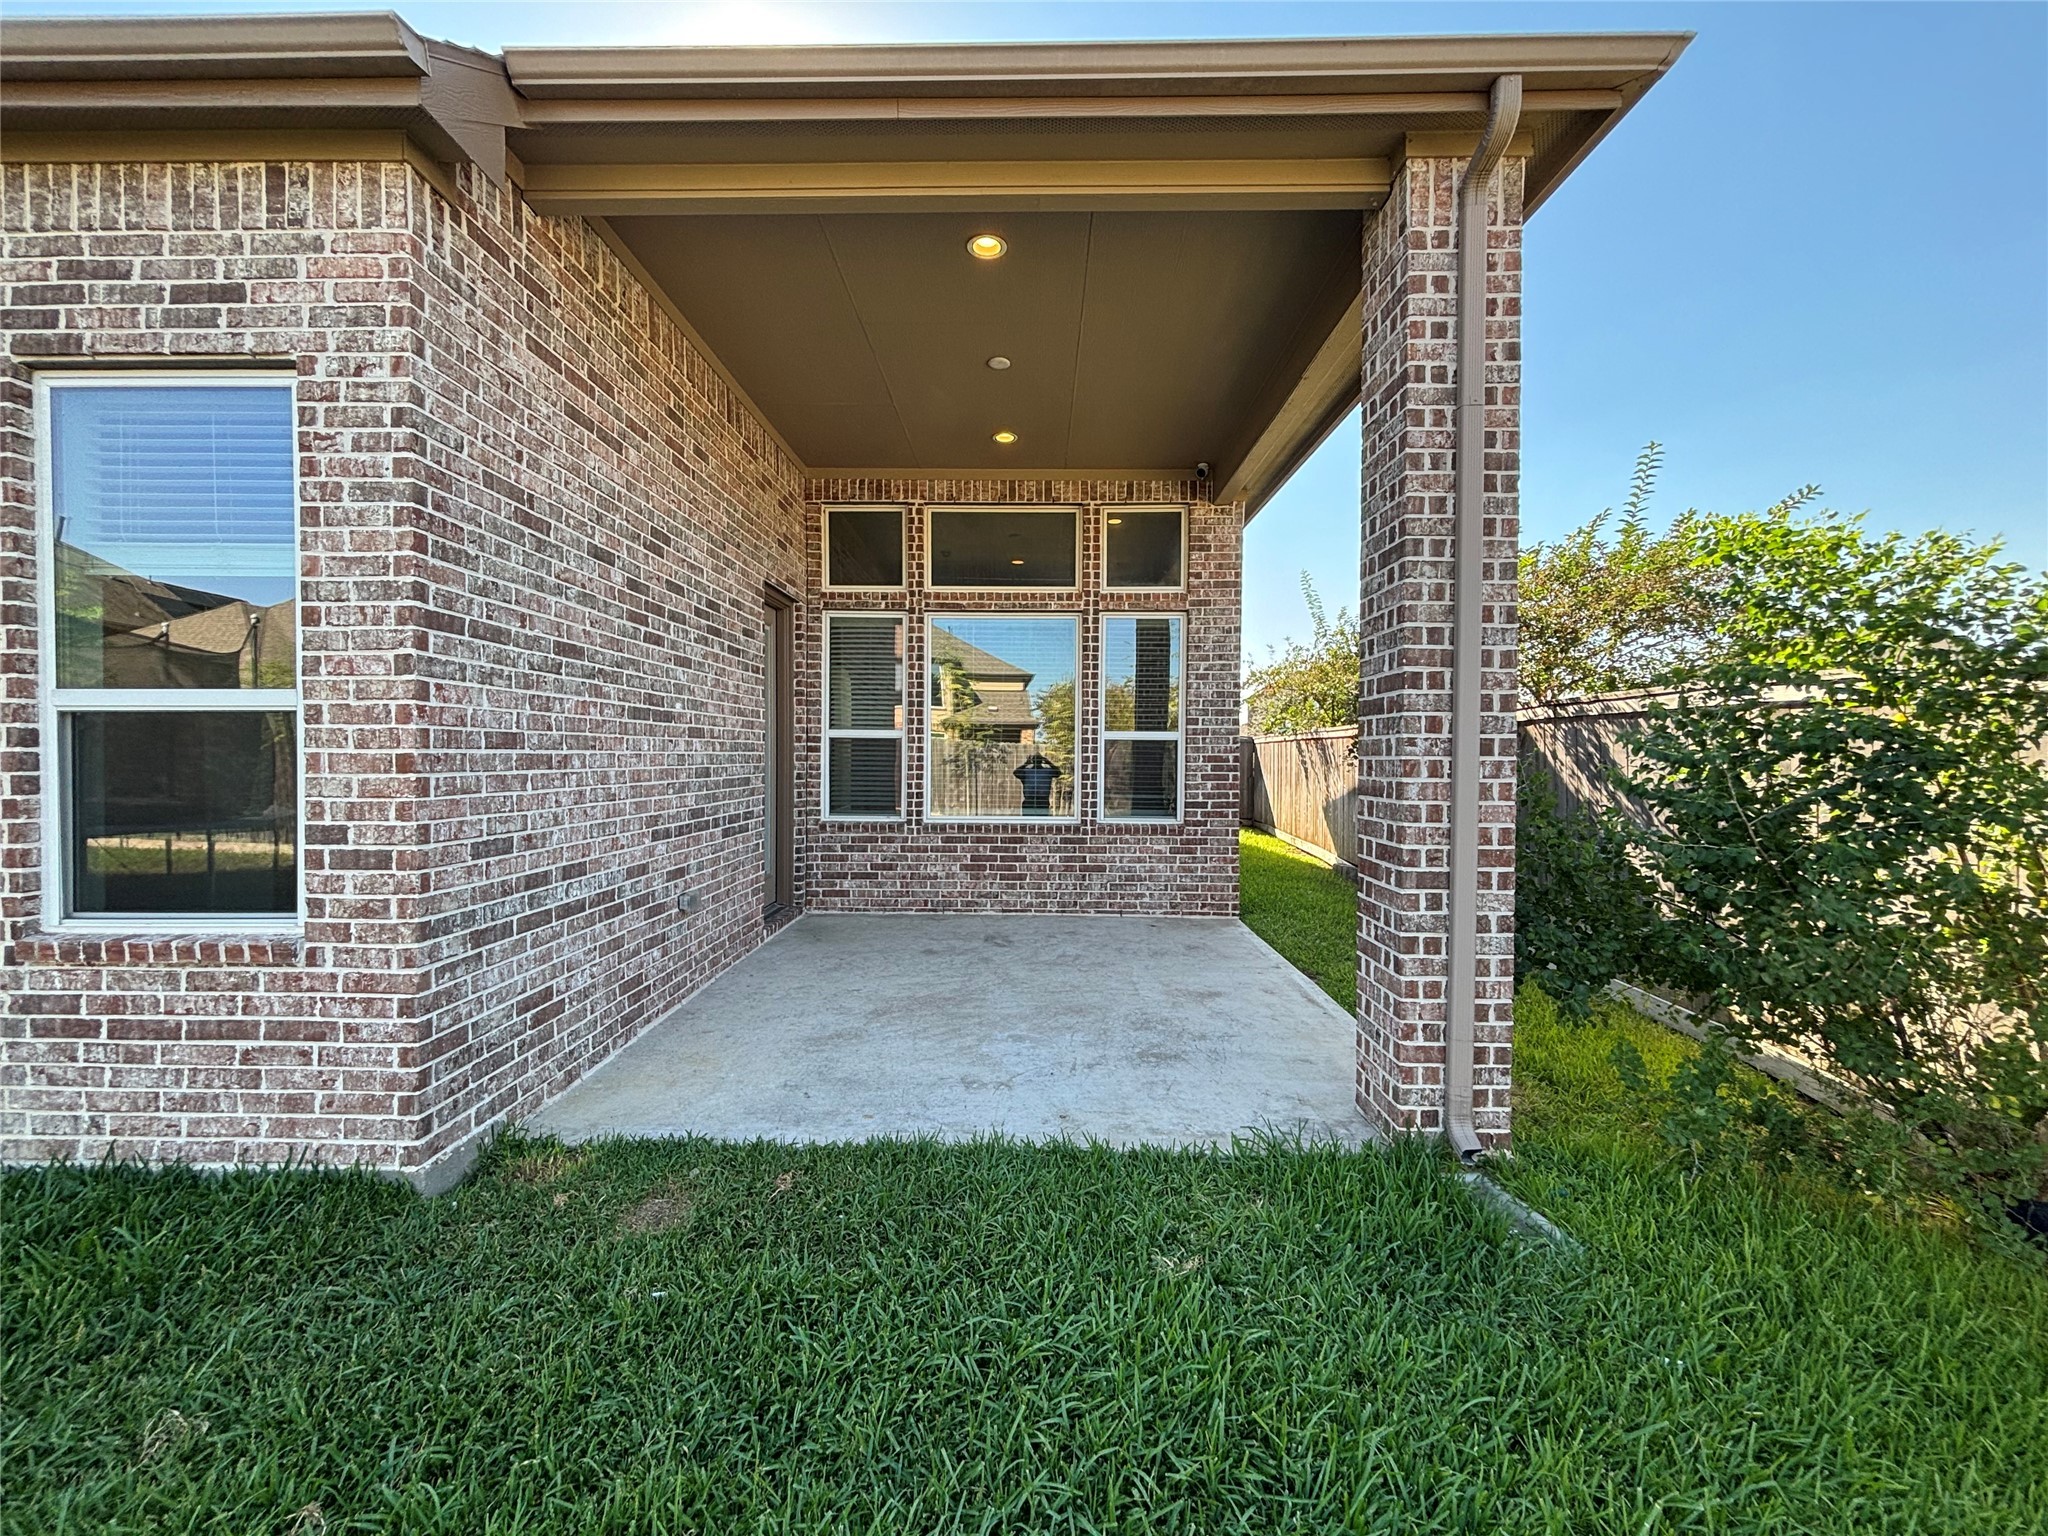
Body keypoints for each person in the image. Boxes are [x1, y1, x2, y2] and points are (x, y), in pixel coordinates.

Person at [1013, 750, 1063, 816]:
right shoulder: (1028, 772)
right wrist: (1049, 763)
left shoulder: (1028, 772)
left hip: (1039, 801)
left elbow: (1058, 773)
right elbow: (1058, 773)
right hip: (1033, 801)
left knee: (1032, 821)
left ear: (1032, 761)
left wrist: (1026, 764)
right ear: (1042, 761)